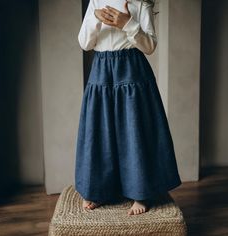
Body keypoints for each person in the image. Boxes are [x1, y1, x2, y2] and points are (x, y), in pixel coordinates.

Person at [75, 0, 182, 216]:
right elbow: (85, 43)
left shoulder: (141, 3)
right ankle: (97, 191)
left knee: (134, 131)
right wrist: (95, 19)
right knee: (99, 131)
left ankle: (140, 193)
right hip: (101, 69)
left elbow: (150, 46)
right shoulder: (97, 1)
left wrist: (128, 23)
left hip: (132, 69)